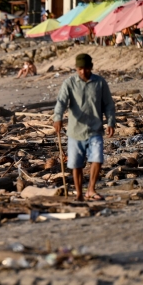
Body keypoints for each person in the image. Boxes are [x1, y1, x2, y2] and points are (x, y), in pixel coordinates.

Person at [53, 53, 115, 201]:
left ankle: (91, 189)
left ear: (91, 67)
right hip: (75, 131)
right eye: (80, 69)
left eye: (86, 68)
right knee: (76, 164)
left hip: (95, 129)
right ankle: (80, 193)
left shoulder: (100, 83)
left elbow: (108, 104)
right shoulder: (70, 83)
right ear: (76, 68)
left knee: (98, 159)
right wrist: (58, 118)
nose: (83, 72)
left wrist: (111, 122)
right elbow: (61, 101)